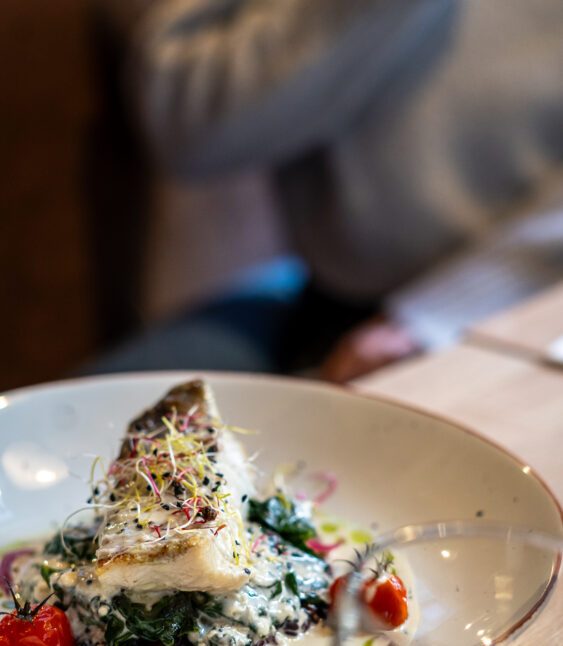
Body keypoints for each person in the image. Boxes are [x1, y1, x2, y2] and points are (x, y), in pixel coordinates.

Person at [94, 0, 563, 381]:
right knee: (75, 440)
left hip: (526, 303)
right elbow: (184, 128)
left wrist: (435, 316)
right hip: (328, 304)